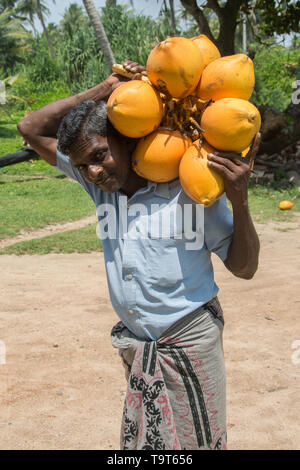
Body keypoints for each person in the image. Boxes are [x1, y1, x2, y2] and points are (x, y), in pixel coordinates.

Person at [17, 61, 261, 450]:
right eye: (83, 166)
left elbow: (244, 268)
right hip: (139, 346)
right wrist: (106, 88)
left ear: (127, 141)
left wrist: (239, 199)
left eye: (100, 156)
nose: (93, 172)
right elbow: (30, 128)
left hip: (189, 343)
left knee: (198, 444)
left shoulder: (189, 189)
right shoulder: (101, 189)